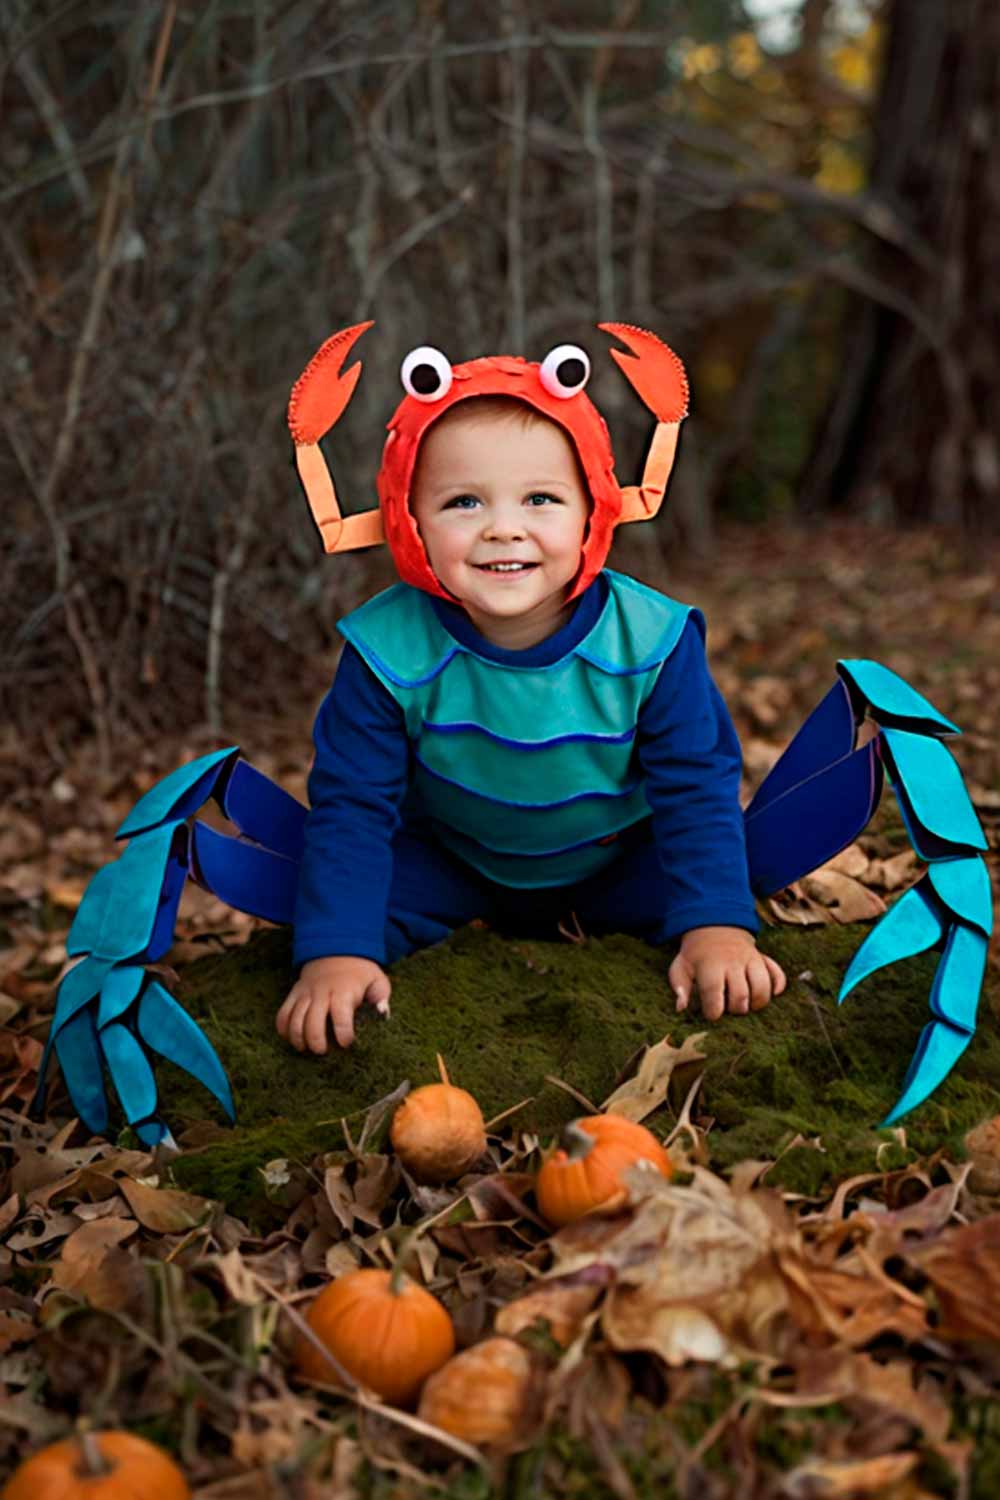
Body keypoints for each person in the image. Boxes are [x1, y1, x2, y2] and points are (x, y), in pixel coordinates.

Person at [276, 332, 786, 1055]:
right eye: (463, 502)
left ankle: (709, 925)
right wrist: (336, 953)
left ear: (594, 510)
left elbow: (696, 788)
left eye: (541, 499)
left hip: (616, 864)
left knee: (731, 875)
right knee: (327, 908)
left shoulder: (652, 640)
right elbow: (354, 804)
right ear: (408, 519)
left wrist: (716, 928)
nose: (503, 529)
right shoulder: (385, 651)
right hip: (453, 863)